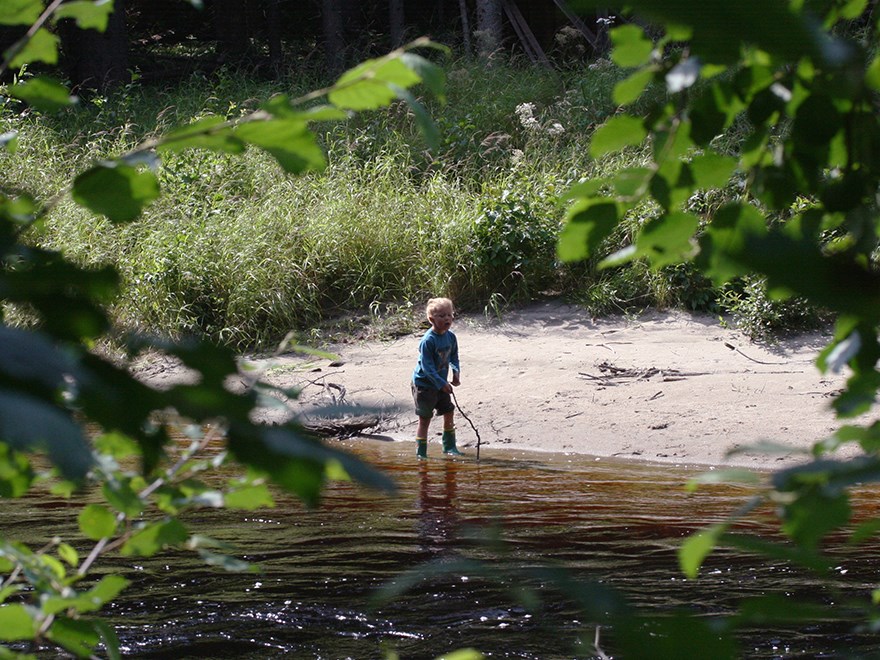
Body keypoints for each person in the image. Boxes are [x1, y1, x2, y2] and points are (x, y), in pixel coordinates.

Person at [411, 297, 463, 458]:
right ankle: (421, 453)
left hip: (440, 384)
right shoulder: (428, 341)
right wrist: (441, 383)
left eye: (449, 315)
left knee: (448, 410)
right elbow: (427, 368)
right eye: (441, 316)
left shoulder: (451, 337)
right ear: (431, 319)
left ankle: (449, 446)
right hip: (424, 385)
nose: (447, 318)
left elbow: (454, 357)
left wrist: (455, 372)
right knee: (425, 418)